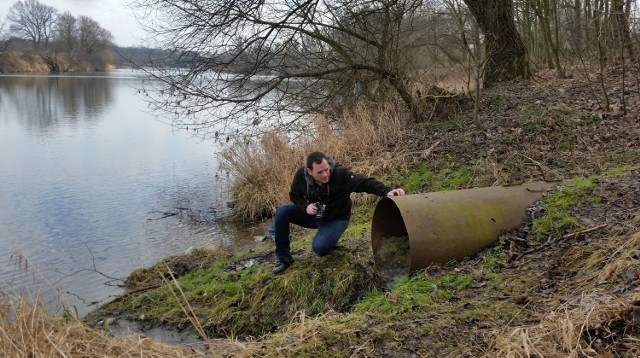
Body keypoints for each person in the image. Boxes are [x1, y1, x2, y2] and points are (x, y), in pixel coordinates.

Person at [272, 151, 405, 274]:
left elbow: (364, 183)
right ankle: (284, 258)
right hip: (314, 215)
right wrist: (306, 207)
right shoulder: (301, 175)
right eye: (320, 172)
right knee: (282, 213)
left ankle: (330, 238)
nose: (325, 175)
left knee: (319, 249)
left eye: (326, 170)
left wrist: (387, 191)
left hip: (337, 219)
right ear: (310, 171)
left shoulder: (340, 174)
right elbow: (294, 195)